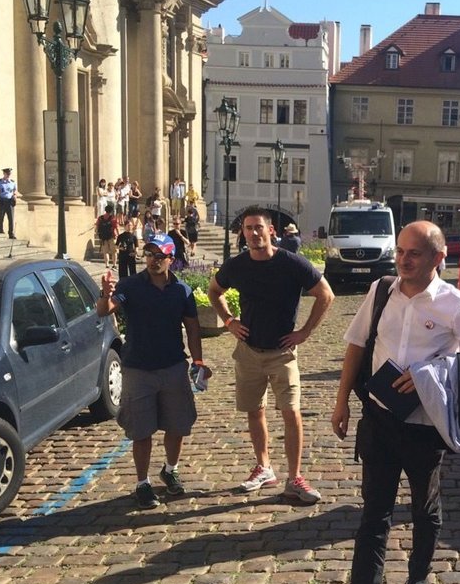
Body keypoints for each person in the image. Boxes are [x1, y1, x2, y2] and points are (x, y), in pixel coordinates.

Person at [327, 221, 460, 584]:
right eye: (400, 251)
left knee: (424, 507)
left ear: (439, 259)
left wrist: (430, 373)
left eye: (414, 253)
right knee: (374, 516)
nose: (403, 259)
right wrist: (342, 399)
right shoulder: (381, 290)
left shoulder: (457, 305)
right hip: (380, 421)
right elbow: (356, 345)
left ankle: (418, 579)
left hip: (425, 429)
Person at [208, 207, 335, 504]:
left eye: (258, 228)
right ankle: (264, 467)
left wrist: (304, 332)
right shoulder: (237, 265)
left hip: (283, 353)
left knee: (291, 413)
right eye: (248, 228)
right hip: (249, 352)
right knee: (255, 411)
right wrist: (229, 321)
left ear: (271, 231)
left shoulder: (291, 263)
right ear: (243, 233)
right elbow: (215, 291)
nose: (253, 233)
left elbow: (325, 294)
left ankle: (295, 478)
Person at [96, 234, 211, 509]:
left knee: (177, 425)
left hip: (173, 366)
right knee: (141, 430)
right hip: (138, 368)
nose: (153, 260)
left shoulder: (182, 290)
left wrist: (198, 361)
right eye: (149, 254)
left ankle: (170, 470)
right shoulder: (131, 285)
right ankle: (142, 483)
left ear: (171, 259)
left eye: (159, 255)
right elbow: (105, 310)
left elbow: (193, 327)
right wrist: (106, 293)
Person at [0, 167, 20, 238]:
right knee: (1, 217)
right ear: (4, 174)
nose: (8, 175)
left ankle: (11, 233)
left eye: (9, 173)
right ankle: (0, 229)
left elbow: (14, 191)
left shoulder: (12, 182)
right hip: (2, 201)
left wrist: (15, 196)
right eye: (7, 173)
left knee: (11, 218)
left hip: (10, 201)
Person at [96, 203, 119, 270]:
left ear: (105, 210)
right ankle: (114, 265)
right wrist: (118, 235)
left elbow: (97, 227)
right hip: (111, 236)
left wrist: (98, 234)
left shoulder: (100, 218)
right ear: (111, 211)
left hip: (103, 237)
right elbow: (116, 227)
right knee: (114, 252)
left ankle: (107, 265)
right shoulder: (113, 218)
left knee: (105, 252)